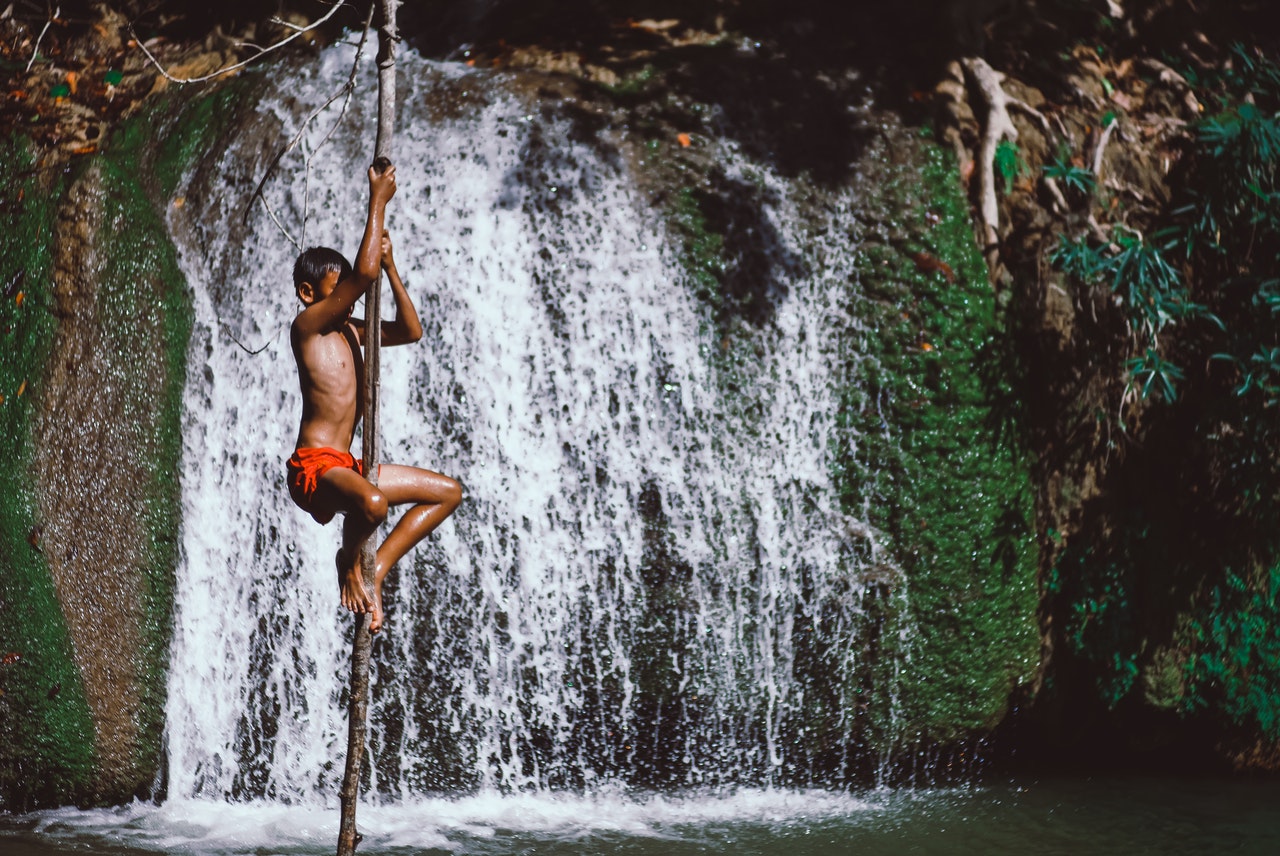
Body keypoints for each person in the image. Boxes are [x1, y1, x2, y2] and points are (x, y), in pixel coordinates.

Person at [285, 159, 461, 633]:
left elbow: (410, 330)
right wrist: (378, 199)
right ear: (308, 293)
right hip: (316, 469)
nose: (349, 298)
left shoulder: (353, 331)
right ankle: (348, 559)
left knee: (448, 493)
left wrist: (391, 266)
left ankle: (375, 568)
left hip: (349, 469)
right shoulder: (309, 328)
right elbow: (361, 279)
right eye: (335, 290)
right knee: (376, 505)